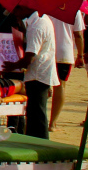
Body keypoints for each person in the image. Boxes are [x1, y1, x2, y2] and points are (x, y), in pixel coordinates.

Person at [4, 9, 56, 138]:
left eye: (17, 9)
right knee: (34, 112)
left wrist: (13, 66)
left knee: (37, 113)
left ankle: (41, 141)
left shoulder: (37, 26)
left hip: (38, 74)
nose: (15, 12)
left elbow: (30, 56)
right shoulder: (41, 21)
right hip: (42, 72)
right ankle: (35, 138)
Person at [49, 11, 85, 133]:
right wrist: (80, 55)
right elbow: (78, 34)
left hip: (47, 50)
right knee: (60, 86)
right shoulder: (75, 10)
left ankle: (42, 119)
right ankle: (52, 123)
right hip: (64, 52)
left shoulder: (48, 4)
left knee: (43, 85)